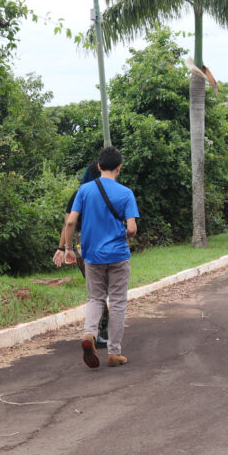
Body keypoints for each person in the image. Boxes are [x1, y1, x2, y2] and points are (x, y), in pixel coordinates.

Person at [63, 146, 139, 369]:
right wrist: (124, 234)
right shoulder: (126, 193)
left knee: (95, 298)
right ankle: (114, 352)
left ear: (98, 166)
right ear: (119, 168)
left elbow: (70, 221)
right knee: (117, 302)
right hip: (118, 255)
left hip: (92, 255)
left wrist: (68, 248)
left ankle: (89, 334)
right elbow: (132, 228)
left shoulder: (84, 191)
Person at [53, 161, 109, 348]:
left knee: (96, 290)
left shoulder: (78, 194)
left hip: (81, 244)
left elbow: (69, 223)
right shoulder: (107, 191)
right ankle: (99, 331)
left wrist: (63, 249)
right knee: (101, 290)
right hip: (104, 243)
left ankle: (102, 329)